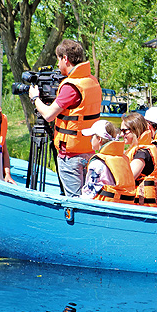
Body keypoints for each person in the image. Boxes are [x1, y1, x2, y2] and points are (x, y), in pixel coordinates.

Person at [29, 39, 102, 197]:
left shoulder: (71, 86)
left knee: (75, 202)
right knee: (89, 197)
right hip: (89, 149)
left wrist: (35, 98)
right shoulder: (92, 81)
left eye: (58, 59)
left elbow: (48, 115)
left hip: (71, 155)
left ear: (65, 59)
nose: (57, 64)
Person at [121, 112, 157, 208]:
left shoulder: (142, 153)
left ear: (135, 130)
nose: (121, 134)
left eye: (125, 131)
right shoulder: (146, 148)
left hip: (143, 207)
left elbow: (129, 179)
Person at [80, 120, 134, 201]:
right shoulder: (123, 158)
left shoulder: (97, 162)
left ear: (99, 139)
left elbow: (89, 192)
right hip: (124, 203)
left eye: (92, 137)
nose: (90, 140)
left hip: (104, 205)